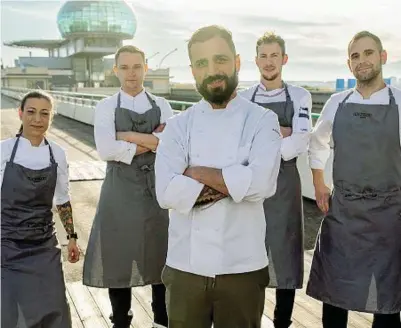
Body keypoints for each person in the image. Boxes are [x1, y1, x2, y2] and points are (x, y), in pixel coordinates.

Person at [155, 25, 282, 328]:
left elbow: (262, 183)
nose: (212, 70)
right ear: (193, 71)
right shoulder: (177, 126)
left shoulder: (263, 120)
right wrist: (238, 180)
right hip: (185, 266)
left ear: (237, 62)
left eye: (221, 59)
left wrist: (195, 173)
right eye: (202, 63)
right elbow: (166, 193)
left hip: (243, 267)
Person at [307, 31, 401, 328]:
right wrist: (319, 182)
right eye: (355, 56)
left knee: (387, 300)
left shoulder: (399, 101)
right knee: (335, 295)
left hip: (389, 216)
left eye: (369, 53)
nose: (362, 61)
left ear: (382, 57)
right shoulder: (337, 103)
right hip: (344, 212)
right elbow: (317, 143)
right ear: (349, 65)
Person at [82, 45, 174, 328]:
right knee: (118, 253)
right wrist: (150, 140)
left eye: (137, 67)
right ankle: (121, 319)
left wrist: (128, 135)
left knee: (161, 253)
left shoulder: (163, 105)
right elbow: (106, 149)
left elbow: (170, 147)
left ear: (146, 68)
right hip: (118, 190)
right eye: (125, 67)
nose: (131, 73)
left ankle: (162, 319)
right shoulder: (106, 106)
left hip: (157, 189)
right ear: (115, 71)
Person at [239, 32, 312, 328]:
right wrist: (281, 132)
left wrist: (263, 142)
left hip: (285, 183)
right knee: (249, 247)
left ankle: (283, 320)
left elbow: (301, 140)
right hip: (251, 182)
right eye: (263, 56)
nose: (269, 62)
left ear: (284, 59)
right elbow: (240, 144)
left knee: (285, 248)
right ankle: (250, 318)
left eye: (274, 56)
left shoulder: (300, 96)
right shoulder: (244, 98)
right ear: (255, 60)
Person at [1, 90, 80, 328]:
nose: (37, 119)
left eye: (44, 113)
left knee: (55, 307)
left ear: (51, 117)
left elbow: (63, 199)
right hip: (7, 244)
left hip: (44, 244)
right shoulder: (3, 151)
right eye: (31, 112)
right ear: (20, 114)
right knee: (10, 314)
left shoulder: (57, 154)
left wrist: (72, 237)